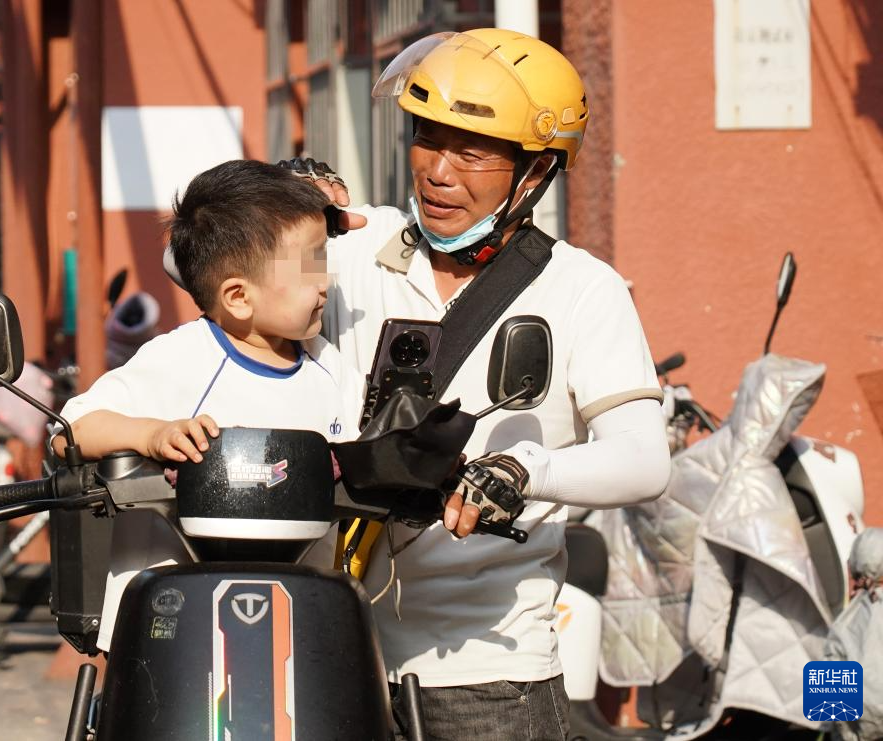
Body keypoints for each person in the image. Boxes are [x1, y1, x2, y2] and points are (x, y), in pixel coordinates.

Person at [289, 29, 672, 740]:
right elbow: (198, 265)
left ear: (535, 171)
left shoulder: (582, 290)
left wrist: (524, 469)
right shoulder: (355, 246)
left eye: (471, 153)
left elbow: (645, 459)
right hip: (325, 652)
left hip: (485, 674)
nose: (438, 171)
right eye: (428, 140)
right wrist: (274, 205)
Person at [55, 159, 361, 653]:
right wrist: (151, 435)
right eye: (308, 266)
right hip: (170, 634)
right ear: (238, 297)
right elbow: (71, 431)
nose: (324, 282)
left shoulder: (332, 370)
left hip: (294, 634)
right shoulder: (181, 358)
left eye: (322, 259)